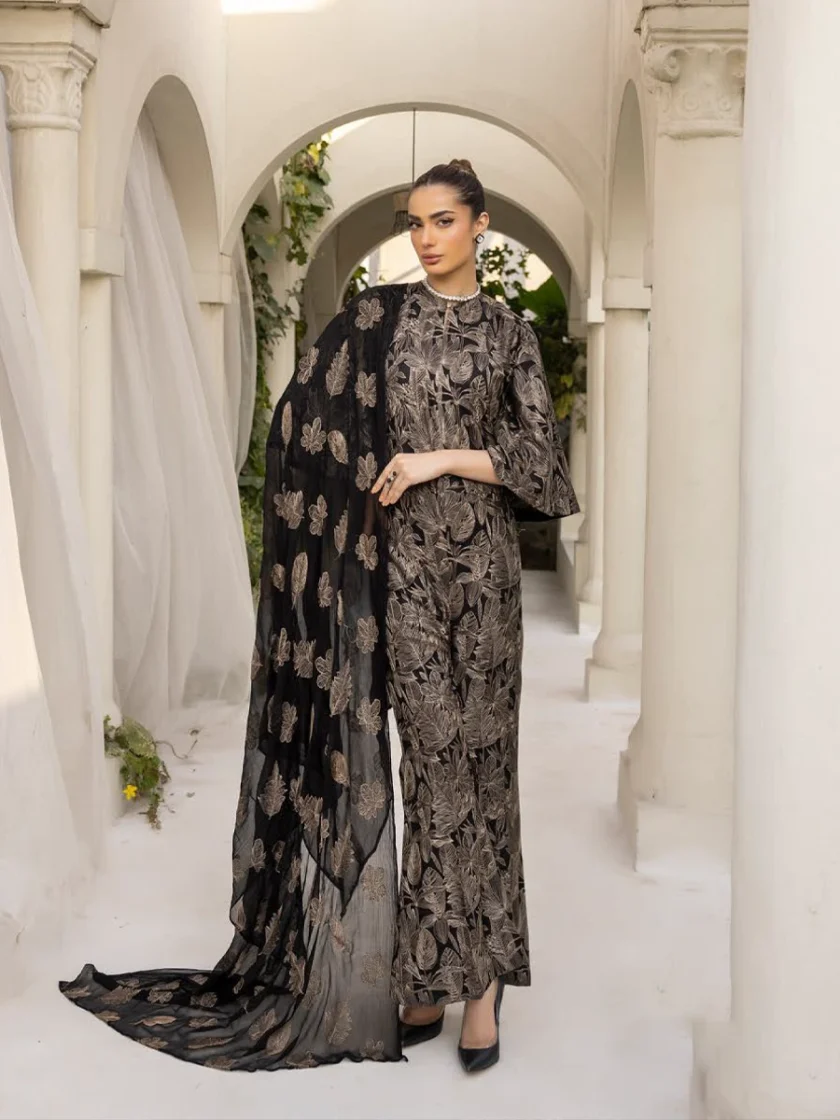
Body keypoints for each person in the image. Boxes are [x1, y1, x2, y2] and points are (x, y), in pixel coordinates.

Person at [59, 158, 579, 1074]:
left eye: (443, 221)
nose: (426, 237)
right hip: (402, 582)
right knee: (429, 770)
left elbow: (540, 465)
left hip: (486, 584)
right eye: (415, 221)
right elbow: (302, 419)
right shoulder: (381, 320)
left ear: (479, 226)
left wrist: (437, 459)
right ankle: (430, 969)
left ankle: (483, 986)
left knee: (485, 774)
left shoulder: (508, 336)